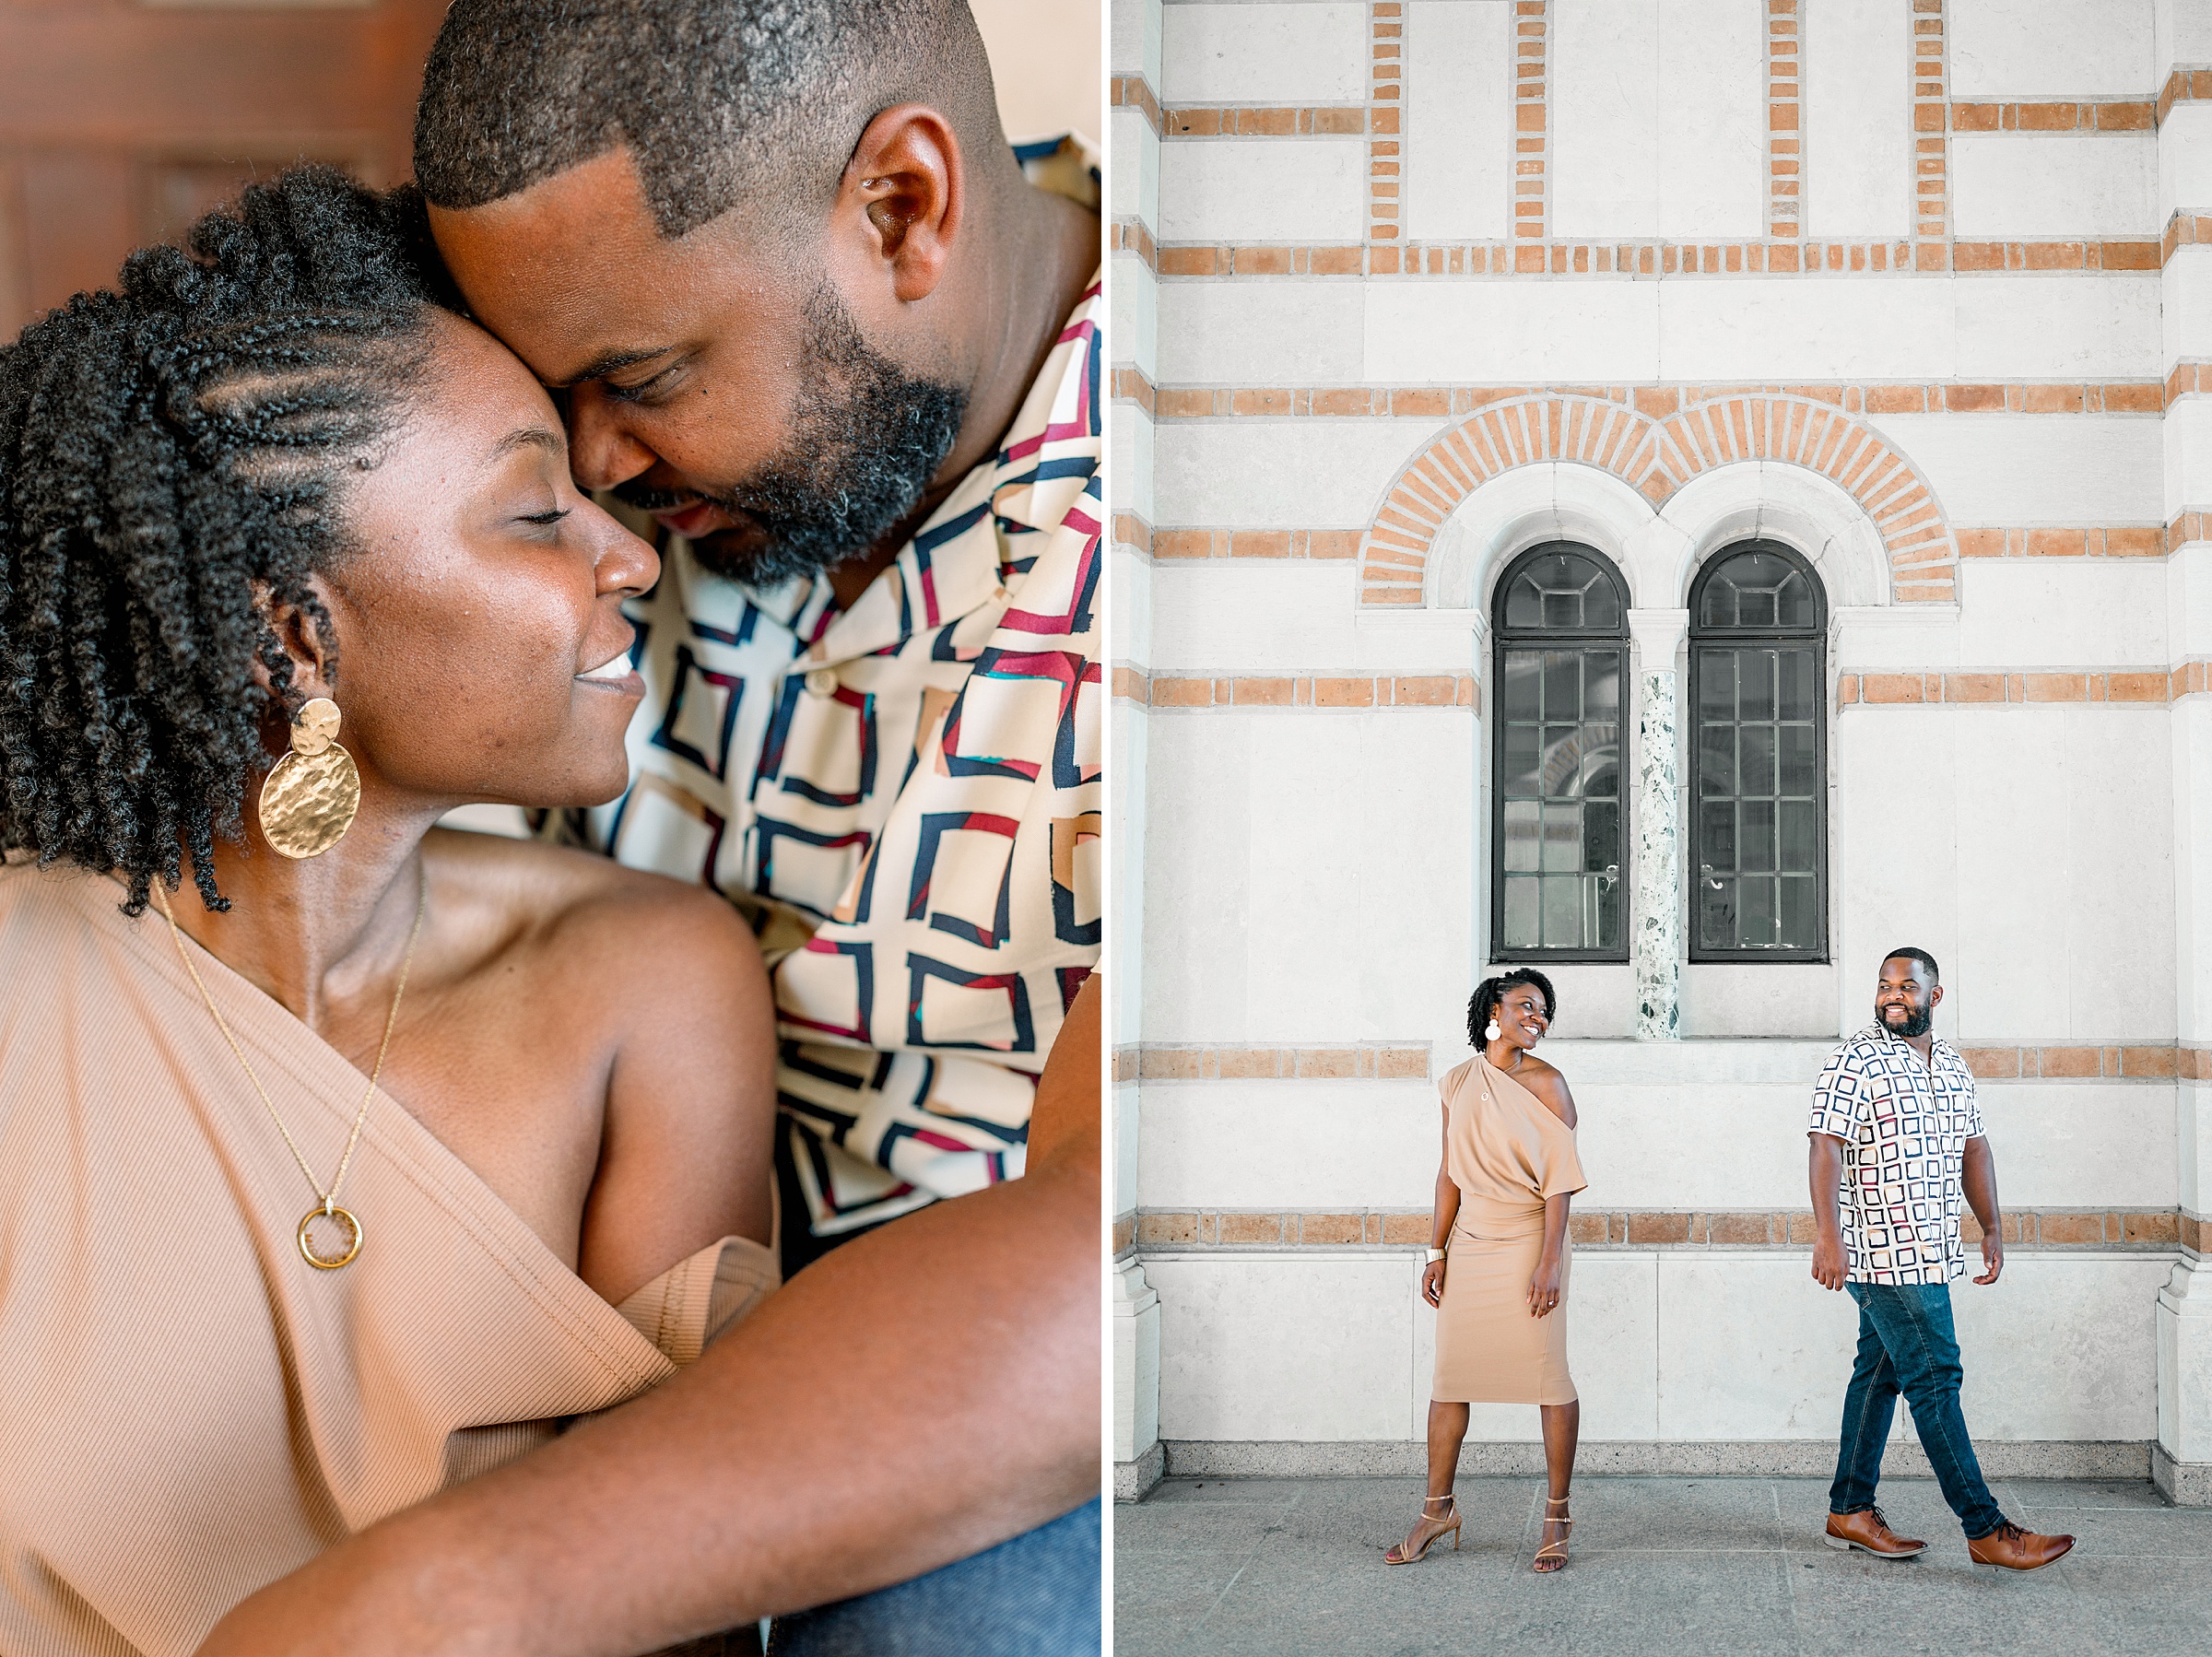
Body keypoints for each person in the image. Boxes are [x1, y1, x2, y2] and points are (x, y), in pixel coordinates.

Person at [196, 2, 1103, 1651]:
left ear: (904, 207)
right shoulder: (620, 499)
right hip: (581, 1276)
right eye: (553, 406)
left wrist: (454, 1593)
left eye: (643, 378)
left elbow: (1116, 1250)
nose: (600, 470)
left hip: (983, 1354)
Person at [0, 170, 783, 1656]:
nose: (628, 553)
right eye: (538, 511)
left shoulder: (647, 983)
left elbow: (684, 1573)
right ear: (293, 631)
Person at [1808, 947, 2073, 1571]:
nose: (1892, 995)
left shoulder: (1952, 1063)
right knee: (1936, 1379)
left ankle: (1849, 1508)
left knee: (1880, 1374)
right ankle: (1985, 1529)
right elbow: (1825, 1147)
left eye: (1907, 986)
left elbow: (1973, 1148)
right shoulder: (1857, 1058)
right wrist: (1828, 1236)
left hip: (1932, 1252)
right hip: (1883, 1254)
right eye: (1883, 985)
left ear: (1935, 995)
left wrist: (1992, 1226)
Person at [1387, 970, 1585, 1574]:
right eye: (1527, 1004)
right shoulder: (1456, 1082)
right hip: (1470, 1243)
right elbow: (1449, 1171)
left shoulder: (1550, 1084)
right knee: (1450, 1380)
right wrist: (1435, 1250)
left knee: (1549, 1380)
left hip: (1531, 1242)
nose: (1538, 1017)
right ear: (1493, 1008)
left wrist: (1549, 1260)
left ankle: (1557, 1515)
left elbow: (1558, 1183)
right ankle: (1436, 1509)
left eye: (1545, 1010)